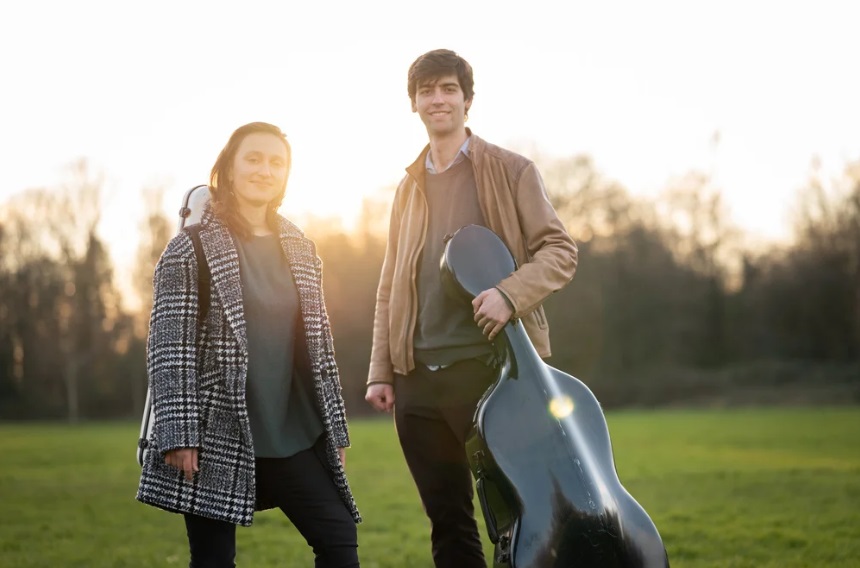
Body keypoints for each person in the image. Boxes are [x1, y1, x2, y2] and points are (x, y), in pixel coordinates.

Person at [364, 49, 579, 567]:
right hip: (417, 381)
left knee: (519, 521)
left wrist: (509, 294)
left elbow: (560, 252)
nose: (438, 99)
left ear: (467, 99)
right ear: (413, 103)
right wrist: (382, 371)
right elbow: (391, 283)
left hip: (492, 374)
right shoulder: (406, 188)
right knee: (449, 525)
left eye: (448, 89)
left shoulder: (512, 170)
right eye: (427, 91)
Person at [137, 122, 361, 568]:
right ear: (229, 170)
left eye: (276, 162)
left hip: (292, 434)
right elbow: (168, 348)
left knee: (338, 540)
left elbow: (320, 347)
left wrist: (334, 429)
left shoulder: (301, 247)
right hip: (215, 434)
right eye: (253, 159)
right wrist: (180, 435)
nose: (265, 169)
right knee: (214, 559)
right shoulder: (190, 248)